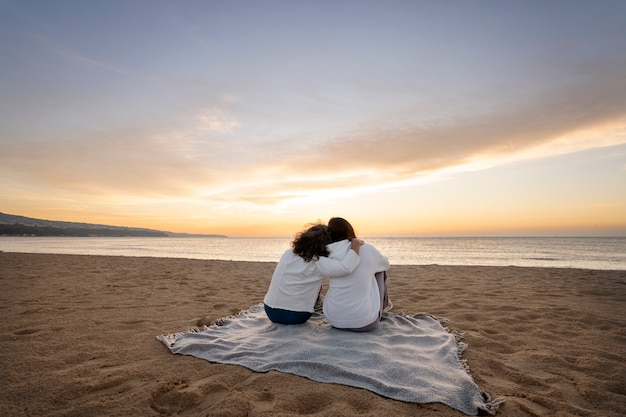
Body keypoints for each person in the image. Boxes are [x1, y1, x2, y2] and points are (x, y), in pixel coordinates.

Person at [263, 223, 363, 324]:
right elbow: (346, 267)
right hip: (296, 315)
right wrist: (355, 244)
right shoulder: (317, 261)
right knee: (318, 288)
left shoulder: (288, 253)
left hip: (270, 310)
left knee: (312, 283)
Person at [323, 217, 391, 332]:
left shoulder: (326, 252)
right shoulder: (366, 248)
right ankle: (383, 307)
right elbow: (386, 264)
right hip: (364, 322)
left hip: (334, 320)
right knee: (380, 270)